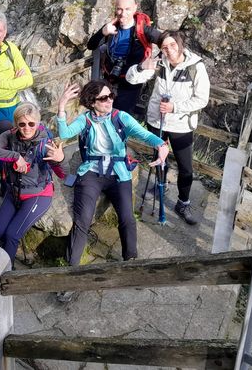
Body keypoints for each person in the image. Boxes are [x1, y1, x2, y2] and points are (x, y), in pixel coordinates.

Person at [55, 79, 169, 302]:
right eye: (103, 98)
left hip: (118, 171)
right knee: (83, 220)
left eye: (110, 96)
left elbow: (142, 133)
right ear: (92, 102)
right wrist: (61, 107)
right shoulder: (85, 120)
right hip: (91, 171)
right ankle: (69, 274)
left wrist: (161, 145)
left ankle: (131, 261)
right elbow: (64, 132)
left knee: (127, 216)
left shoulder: (120, 117)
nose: (109, 101)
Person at [126, 31, 210, 225]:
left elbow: (202, 99)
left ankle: (183, 203)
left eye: (173, 45)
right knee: (158, 160)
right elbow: (132, 79)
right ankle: (161, 185)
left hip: (181, 125)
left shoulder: (195, 67)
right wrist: (141, 66)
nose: (169, 50)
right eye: (165, 47)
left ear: (181, 45)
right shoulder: (159, 62)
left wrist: (175, 107)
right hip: (157, 122)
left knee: (185, 167)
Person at [0, 102, 66, 266]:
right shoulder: (9, 136)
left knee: (12, 235)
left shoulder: (45, 144)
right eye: (22, 124)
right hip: (14, 192)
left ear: (38, 123)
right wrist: (15, 156)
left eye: (31, 123)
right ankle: (8, 250)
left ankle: (6, 273)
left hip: (37, 195)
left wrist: (60, 160)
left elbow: (64, 174)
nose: (27, 128)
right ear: (16, 124)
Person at [86, 0, 162, 115]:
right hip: (109, 80)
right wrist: (103, 32)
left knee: (121, 119)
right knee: (104, 116)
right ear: (115, 8)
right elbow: (91, 45)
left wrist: (154, 61)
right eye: (119, 9)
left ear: (135, 8)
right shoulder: (112, 27)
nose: (123, 13)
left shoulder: (143, 30)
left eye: (127, 9)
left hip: (130, 84)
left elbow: (167, 41)